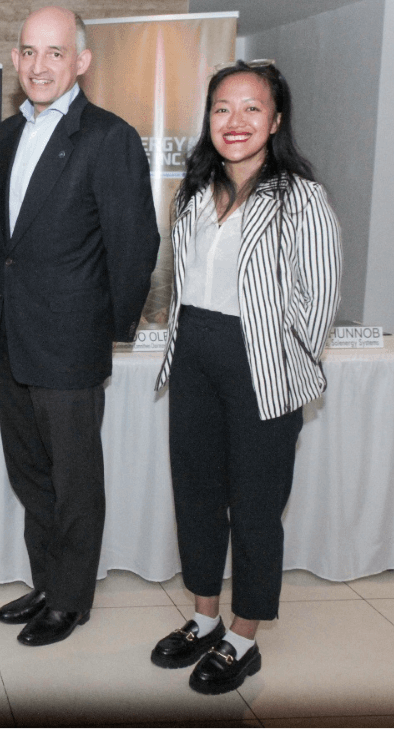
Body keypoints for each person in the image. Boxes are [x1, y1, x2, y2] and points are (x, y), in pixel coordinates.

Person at [151, 61, 341, 694]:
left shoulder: (300, 196)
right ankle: (204, 619)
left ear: (276, 120)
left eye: (252, 109)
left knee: (256, 507)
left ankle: (243, 636)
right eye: (222, 109)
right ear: (209, 120)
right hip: (195, 357)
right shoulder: (193, 190)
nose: (235, 122)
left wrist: (283, 362)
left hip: (263, 367)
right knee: (197, 495)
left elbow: (318, 302)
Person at [0, 7, 159, 647]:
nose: (39, 65)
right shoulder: (7, 134)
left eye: (55, 53)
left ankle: (71, 599)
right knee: (31, 476)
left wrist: (102, 336)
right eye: (29, 52)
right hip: (13, 339)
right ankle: (46, 582)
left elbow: (135, 246)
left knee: (75, 482)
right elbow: (15, 242)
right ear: (16, 59)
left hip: (70, 345)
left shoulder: (109, 138)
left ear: (81, 61)